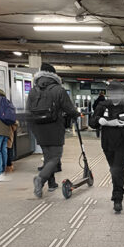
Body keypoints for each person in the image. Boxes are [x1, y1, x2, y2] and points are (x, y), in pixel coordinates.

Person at [27, 62, 80, 198]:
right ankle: (40, 178)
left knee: (48, 157)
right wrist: (76, 114)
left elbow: (28, 110)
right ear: (54, 75)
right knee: (55, 157)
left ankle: (51, 184)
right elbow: (69, 108)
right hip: (54, 127)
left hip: (38, 128)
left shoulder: (33, 91)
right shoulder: (58, 90)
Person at [89, 81, 124, 214]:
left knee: (117, 169)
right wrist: (98, 121)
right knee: (114, 170)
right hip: (107, 144)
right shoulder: (102, 106)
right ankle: (119, 189)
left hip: (123, 144)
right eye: (112, 93)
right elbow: (92, 123)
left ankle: (117, 198)